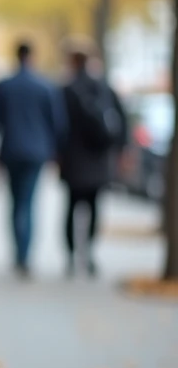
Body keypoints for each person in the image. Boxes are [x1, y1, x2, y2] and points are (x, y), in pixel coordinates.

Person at [0, 41, 66, 277]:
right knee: (28, 202)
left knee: (16, 202)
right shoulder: (45, 87)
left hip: (11, 151)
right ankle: (25, 255)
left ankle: (20, 253)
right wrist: (56, 151)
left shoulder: (5, 86)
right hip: (37, 153)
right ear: (32, 56)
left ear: (16, 56)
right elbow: (58, 124)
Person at [58, 44, 126, 277]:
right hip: (98, 159)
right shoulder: (104, 87)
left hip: (74, 159)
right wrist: (120, 150)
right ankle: (89, 254)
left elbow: (58, 126)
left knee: (71, 207)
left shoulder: (67, 90)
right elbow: (120, 121)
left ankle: (70, 256)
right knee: (94, 208)